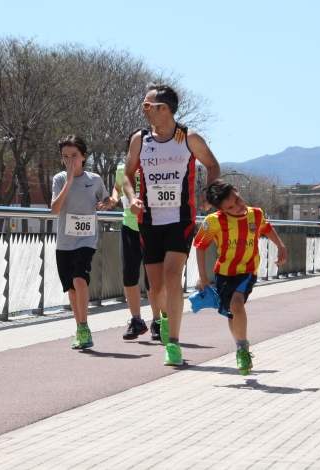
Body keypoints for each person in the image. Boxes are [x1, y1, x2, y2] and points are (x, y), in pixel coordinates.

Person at [122, 83, 221, 366]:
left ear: (163, 109)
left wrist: (207, 192)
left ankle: (174, 344)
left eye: (147, 106)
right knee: (155, 289)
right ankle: (165, 316)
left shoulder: (189, 138)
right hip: (149, 219)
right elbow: (128, 174)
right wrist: (131, 198)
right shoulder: (139, 140)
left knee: (171, 277)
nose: (143, 110)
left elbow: (213, 166)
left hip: (181, 218)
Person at [194, 180, 287, 375]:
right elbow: (200, 247)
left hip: (248, 269)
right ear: (220, 209)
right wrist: (203, 277)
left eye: (237, 200)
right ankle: (240, 344)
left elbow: (266, 227)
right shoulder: (213, 221)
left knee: (237, 304)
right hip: (224, 272)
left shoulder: (256, 214)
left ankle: (242, 349)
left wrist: (281, 247)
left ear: (237, 191)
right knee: (231, 313)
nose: (237, 206)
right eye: (230, 207)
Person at [51, 135, 113, 350]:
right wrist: (68, 182)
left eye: (74, 156)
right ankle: (79, 328)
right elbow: (54, 209)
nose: (70, 161)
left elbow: (105, 198)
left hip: (87, 238)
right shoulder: (59, 179)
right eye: (65, 156)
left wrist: (105, 204)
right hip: (65, 241)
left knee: (79, 279)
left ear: (84, 156)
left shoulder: (94, 179)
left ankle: (85, 326)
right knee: (71, 286)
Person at [112, 161, 161, 341]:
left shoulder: (155, 165)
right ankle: (137, 321)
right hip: (129, 227)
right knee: (129, 274)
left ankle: (158, 322)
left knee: (152, 278)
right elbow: (117, 187)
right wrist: (114, 197)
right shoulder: (121, 169)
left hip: (151, 227)